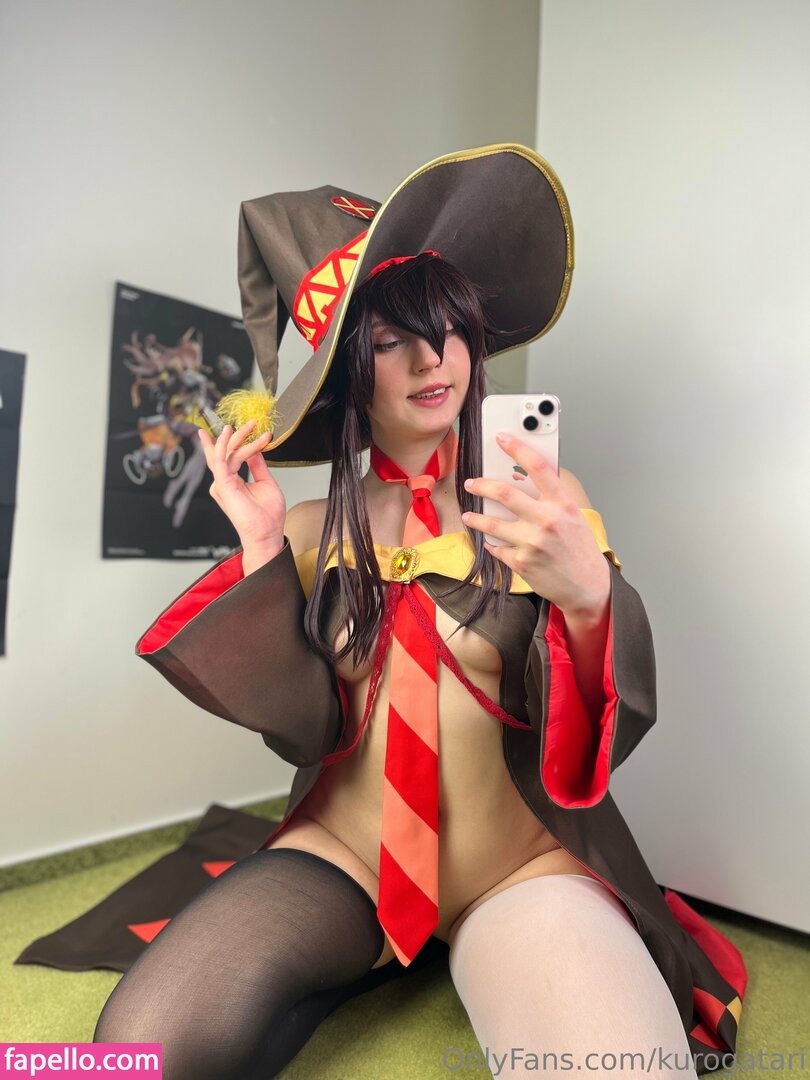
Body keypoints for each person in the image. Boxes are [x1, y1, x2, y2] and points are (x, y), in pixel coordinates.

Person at [94, 145, 746, 1078]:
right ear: (347, 371)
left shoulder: (539, 509)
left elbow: (609, 730)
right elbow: (303, 731)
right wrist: (264, 547)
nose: (432, 358)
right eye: (391, 339)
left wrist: (588, 595)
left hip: (518, 864)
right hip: (347, 854)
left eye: (447, 329)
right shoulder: (311, 527)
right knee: (137, 1051)